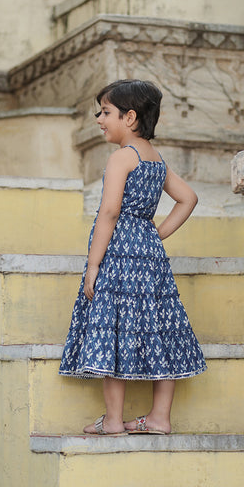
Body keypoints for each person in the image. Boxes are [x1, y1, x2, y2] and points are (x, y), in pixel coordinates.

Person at [58, 79, 207, 435]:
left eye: (105, 112)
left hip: (120, 255)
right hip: (150, 256)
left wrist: (94, 265)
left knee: (114, 328)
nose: (99, 119)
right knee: (160, 328)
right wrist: (157, 233)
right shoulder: (156, 160)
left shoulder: (122, 157)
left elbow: (109, 213)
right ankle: (159, 417)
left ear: (130, 116)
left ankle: (112, 420)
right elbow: (188, 199)